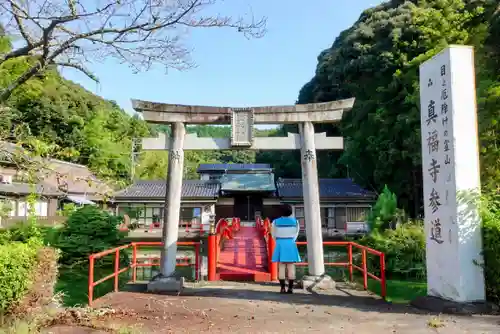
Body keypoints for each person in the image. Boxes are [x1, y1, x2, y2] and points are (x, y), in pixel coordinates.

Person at [271, 204, 301, 294]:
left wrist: (279, 240)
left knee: (281, 266)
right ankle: (291, 288)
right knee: (291, 267)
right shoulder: (295, 221)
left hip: (280, 243)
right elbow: (296, 234)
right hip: (291, 243)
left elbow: (273, 235)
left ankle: (282, 288)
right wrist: (290, 240)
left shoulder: (275, 222)